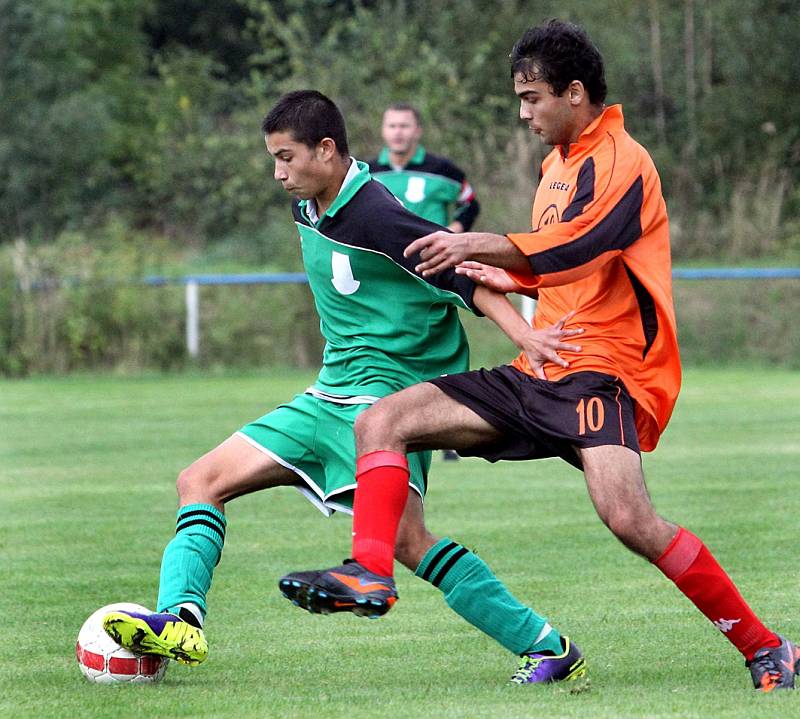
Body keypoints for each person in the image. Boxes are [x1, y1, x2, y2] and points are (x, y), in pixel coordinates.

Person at [283, 22, 800, 692]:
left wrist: (477, 245)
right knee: (382, 420)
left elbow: (581, 246)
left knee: (630, 520)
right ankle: (369, 573)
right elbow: (556, 267)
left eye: (532, 97)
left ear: (575, 92)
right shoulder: (556, 164)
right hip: (541, 369)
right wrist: (508, 279)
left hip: (603, 374)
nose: (524, 112)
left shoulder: (622, 161)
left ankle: (769, 648)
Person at [101, 89, 588, 684]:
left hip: (387, 404)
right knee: (199, 481)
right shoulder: (309, 206)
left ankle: (545, 645)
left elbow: (467, 278)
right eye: (273, 159)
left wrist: (526, 338)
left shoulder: (375, 214)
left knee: (409, 544)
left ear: (326, 151)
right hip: (325, 394)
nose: (278, 173)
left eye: (287, 157)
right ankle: (181, 619)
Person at [370, 101, 479, 461]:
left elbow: (469, 201)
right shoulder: (367, 173)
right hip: (388, 274)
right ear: (383, 131)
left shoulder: (442, 170)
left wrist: (456, 234)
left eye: (404, 126)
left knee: (442, 340)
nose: (398, 132)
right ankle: (389, 417)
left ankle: (451, 428)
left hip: (434, 270)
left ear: (417, 131)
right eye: (392, 126)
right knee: (391, 341)